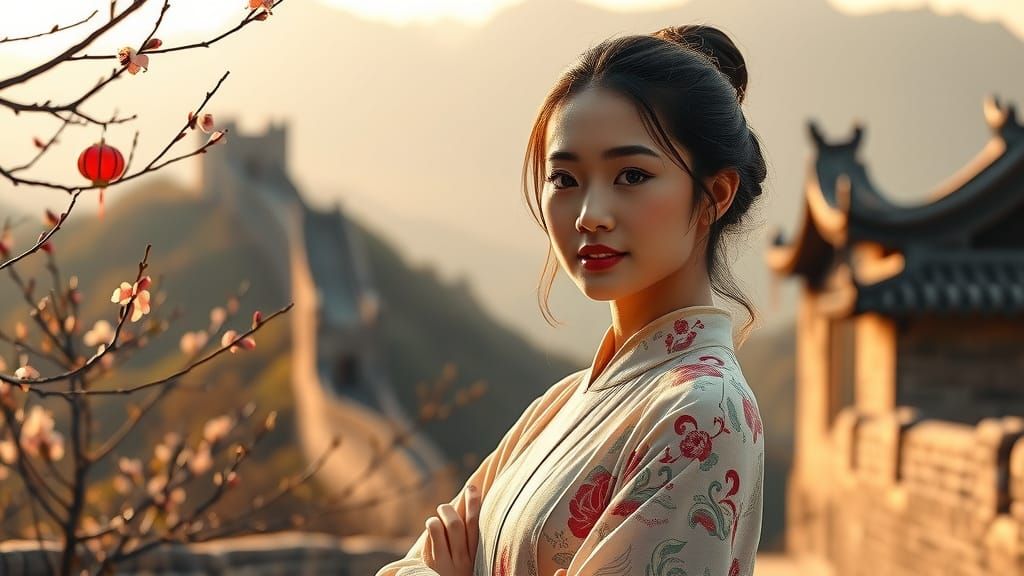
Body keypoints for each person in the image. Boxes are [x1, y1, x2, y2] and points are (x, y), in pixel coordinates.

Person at [376, 23, 767, 576]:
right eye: (564, 178)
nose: (590, 214)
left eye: (631, 175)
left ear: (714, 196)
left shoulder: (701, 416)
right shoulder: (560, 405)